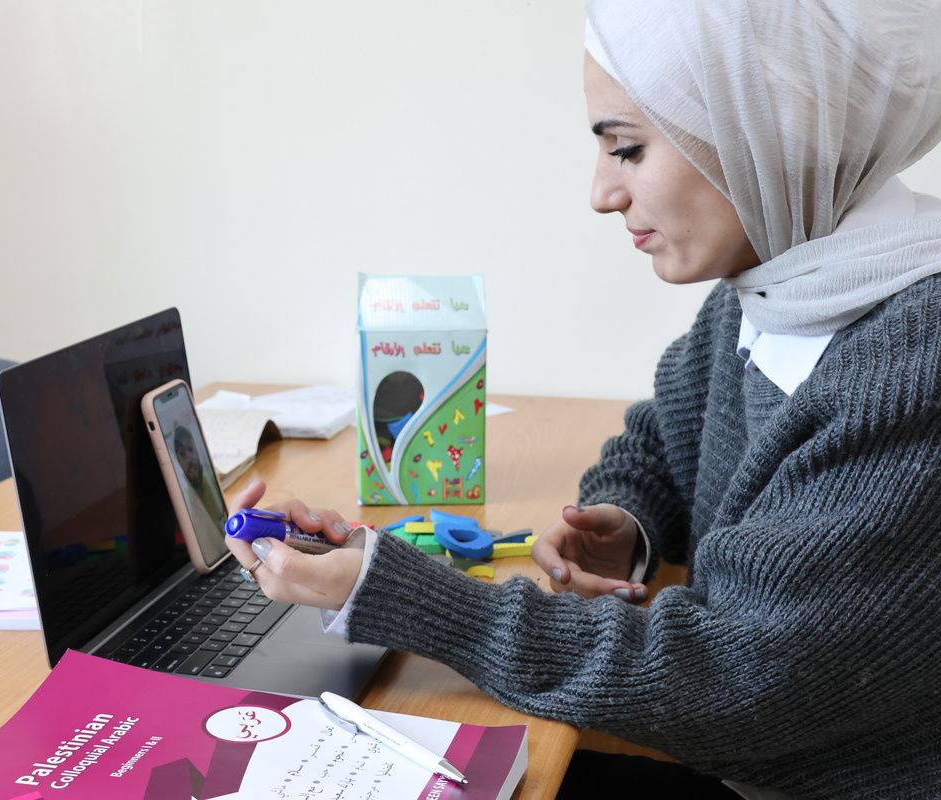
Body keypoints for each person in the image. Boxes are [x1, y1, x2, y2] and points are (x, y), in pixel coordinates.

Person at [226, 1, 941, 797]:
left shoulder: (911, 367)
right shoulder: (781, 285)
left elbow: (730, 677)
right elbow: (662, 441)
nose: (602, 192)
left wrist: (392, 590)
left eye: (627, 150)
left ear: (765, 130)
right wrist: (625, 525)